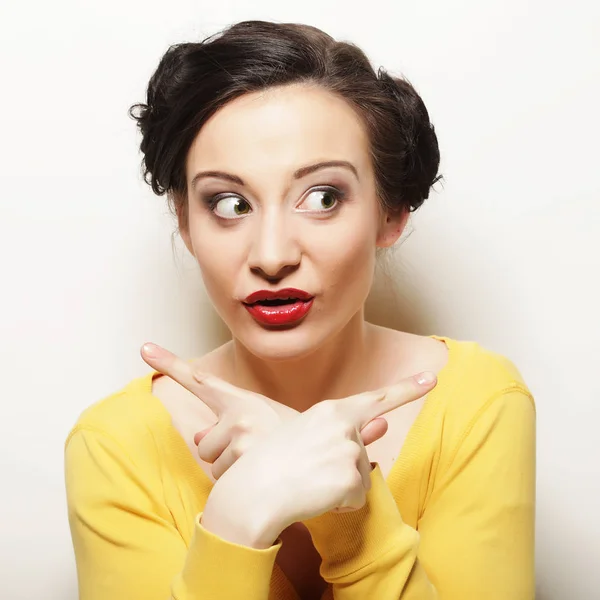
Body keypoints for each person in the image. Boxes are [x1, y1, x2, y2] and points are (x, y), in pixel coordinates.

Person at [64, 19, 536, 600]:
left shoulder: (478, 402)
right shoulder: (116, 443)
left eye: (322, 198)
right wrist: (238, 516)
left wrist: (349, 514)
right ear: (185, 222)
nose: (271, 256)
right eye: (229, 203)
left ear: (390, 213)